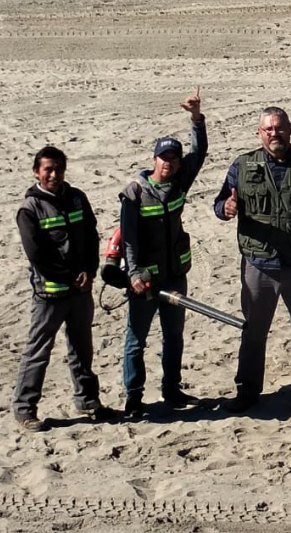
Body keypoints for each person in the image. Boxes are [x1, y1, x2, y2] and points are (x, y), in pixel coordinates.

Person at [215, 106, 291, 412]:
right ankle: (247, 391)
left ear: (290, 130)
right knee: (254, 333)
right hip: (259, 265)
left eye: (280, 128)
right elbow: (220, 203)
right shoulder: (243, 166)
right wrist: (226, 210)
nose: (275, 134)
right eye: (268, 129)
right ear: (260, 133)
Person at [11, 146, 115, 431]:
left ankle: (88, 401)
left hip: (80, 292)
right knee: (38, 352)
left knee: (82, 349)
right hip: (49, 295)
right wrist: (72, 277)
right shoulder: (29, 209)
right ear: (37, 172)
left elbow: (91, 236)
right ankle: (25, 409)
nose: (54, 174)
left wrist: (90, 271)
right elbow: (38, 255)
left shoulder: (78, 198)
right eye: (48, 169)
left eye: (58, 168)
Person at [119, 89, 208, 415]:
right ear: (153, 160)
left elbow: (200, 152)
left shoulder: (180, 182)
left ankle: (171, 390)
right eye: (163, 158)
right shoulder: (135, 192)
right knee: (136, 340)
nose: (169, 163)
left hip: (174, 276)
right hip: (144, 278)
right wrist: (134, 274)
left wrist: (196, 119)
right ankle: (134, 396)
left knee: (174, 336)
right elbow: (128, 239)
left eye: (173, 158)